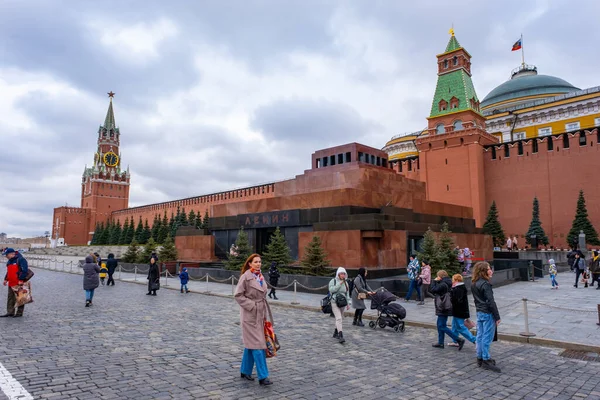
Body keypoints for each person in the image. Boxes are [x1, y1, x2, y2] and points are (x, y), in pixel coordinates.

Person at [234, 253, 272, 386]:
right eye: (255, 262)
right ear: (250, 263)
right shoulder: (246, 277)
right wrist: (253, 306)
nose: (258, 264)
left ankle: (245, 371)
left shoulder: (260, 276)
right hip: (250, 316)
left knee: (251, 344)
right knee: (258, 345)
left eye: (260, 261)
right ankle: (263, 376)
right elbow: (238, 295)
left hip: (260, 314)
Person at [471, 262, 501, 373]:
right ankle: (486, 359)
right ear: (484, 271)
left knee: (480, 336)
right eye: (489, 269)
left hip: (480, 312)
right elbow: (490, 302)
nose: (491, 271)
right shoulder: (485, 284)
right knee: (486, 337)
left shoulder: (474, 283)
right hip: (487, 313)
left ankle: (479, 357)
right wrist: (497, 316)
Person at [430, 270, 465, 350]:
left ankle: (458, 339)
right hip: (446, 306)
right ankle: (440, 342)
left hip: (443, 307)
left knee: (441, 326)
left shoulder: (443, 284)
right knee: (440, 325)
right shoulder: (448, 282)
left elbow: (432, 290)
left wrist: (434, 281)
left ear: (440, 276)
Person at [449, 274, 476, 347]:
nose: (452, 281)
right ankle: (455, 340)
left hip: (459, 311)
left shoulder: (458, 288)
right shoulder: (458, 287)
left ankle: (474, 339)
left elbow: (457, 300)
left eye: (453, 280)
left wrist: (451, 294)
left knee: (460, 327)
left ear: (456, 280)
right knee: (454, 326)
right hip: (458, 311)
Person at [1, 248, 29, 318]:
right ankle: (10, 312)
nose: (6, 256)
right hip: (11, 282)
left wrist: (21, 279)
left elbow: (24, 270)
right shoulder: (9, 261)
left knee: (20, 298)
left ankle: (19, 313)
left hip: (19, 282)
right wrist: (5, 279)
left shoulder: (21, 259)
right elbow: (9, 272)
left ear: (11, 254)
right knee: (10, 298)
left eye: (6, 255)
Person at [329, 267, 351, 344]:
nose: (343, 275)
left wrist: (348, 303)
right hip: (334, 302)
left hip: (343, 303)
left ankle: (335, 332)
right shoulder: (333, 281)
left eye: (344, 274)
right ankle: (340, 336)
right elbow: (331, 290)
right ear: (338, 274)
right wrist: (339, 283)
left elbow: (347, 293)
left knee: (340, 318)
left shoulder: (346, 283)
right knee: (339, 318)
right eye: (341, 273)